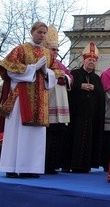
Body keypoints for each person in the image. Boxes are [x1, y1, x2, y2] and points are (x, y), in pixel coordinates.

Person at [0, 21, 61, 178]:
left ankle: (31, 168)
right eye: (39, 32)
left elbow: (57, 72)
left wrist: (47, 72)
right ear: (32, 32)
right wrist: (32, 69)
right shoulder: (20, 49)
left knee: (36, 134)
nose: (42, 35)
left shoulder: (48, 53)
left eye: (44, 33)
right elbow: (9, 70)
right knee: (17, 131)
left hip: (41, 100)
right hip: (22, 97)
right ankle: (11, 166)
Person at [62, 42, 105, 173]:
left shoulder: (97, 78)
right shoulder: (74, 74)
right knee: (72, 139)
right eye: (89, 60)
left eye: (93, 60)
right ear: (83, 60)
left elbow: (101, 95)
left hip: (90, 116)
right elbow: (67, 89)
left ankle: (84, 166)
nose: (91, 62)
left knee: (87, 140)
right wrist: (79, 86)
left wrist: (95, 88)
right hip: (75, 114)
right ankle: (68, 164)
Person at [42, 25, 71, 174]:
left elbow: (69, 77)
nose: (56, 52)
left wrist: (63, 77)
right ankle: (45, 164)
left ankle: (54, 163)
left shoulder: (60, 64)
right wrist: (56, 76)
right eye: (53, 50)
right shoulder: (43, 62)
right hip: (49, 102)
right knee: (48, 134)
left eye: (57, 50)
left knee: (59, 134)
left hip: (61, 103)